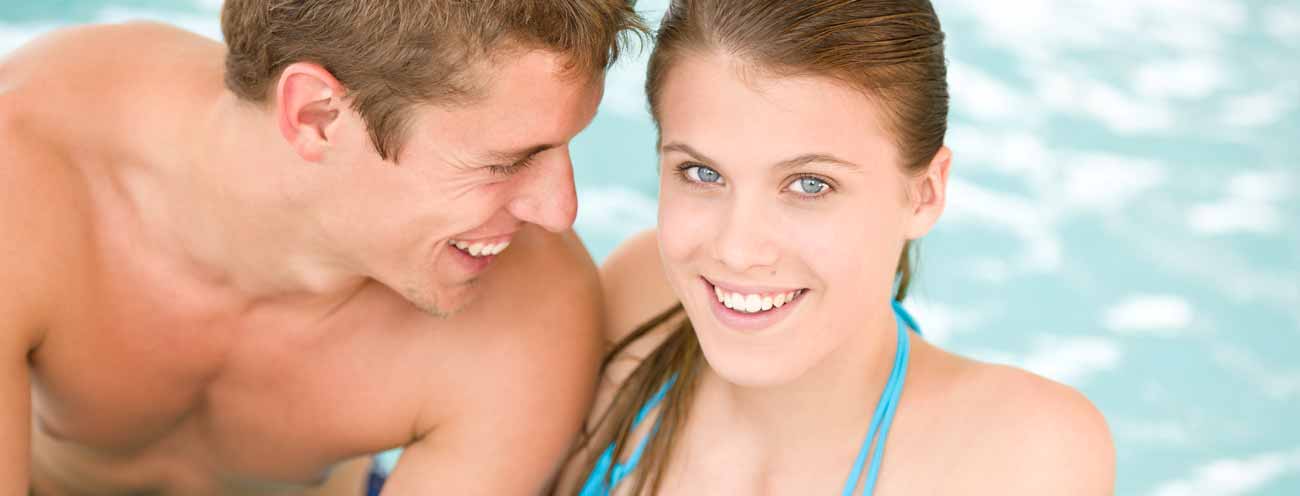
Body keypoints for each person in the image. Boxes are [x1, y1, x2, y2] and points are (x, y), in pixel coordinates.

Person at [0, 0, 645, 494]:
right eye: (505, 162)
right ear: (317, 116)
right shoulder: (27, 178)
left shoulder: (532, 313)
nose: (562, 212)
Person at [556, 1, 1116, 494]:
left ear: (924, 193)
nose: (738, 250)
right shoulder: (640, 298)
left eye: (810, 184)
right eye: (702, 173)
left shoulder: (1018, 452)